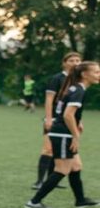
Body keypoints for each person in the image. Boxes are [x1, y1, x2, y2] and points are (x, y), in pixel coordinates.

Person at [24, 61, 100, 208]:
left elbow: (68, 112)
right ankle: (34, 202)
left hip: (62, 132)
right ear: (84, 74)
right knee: (62, 170)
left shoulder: (74, 88)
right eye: (97, 72)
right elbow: (67, 115)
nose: (99, 75)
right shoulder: (78, 90)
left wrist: (78, 122)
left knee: (76, 166)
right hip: (63, 134)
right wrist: (76, 136)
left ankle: (80, 200)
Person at [33, 52, 81, 190]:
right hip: (54, 118)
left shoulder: (77, 81)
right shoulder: (57, 78)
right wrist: (48, 118)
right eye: (71, 60)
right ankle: (39, 182)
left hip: (68, 120)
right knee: (48, 149)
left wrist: (79, 120)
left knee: (58, 151)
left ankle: (52, 179)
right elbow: (49, 100)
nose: (75, 63)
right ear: (64, 63)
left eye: (78, 60)